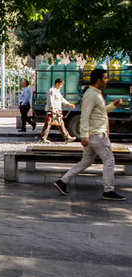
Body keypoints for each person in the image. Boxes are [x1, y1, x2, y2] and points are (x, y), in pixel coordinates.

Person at [54, 68, 126, 201]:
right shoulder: (91, 95)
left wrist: (113, 106)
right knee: (109, 160)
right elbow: (85, 115)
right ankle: (108, 191)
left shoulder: (96, 93)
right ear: (98, 80)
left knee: (86, 161)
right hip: (96, 134)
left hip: (94, 133)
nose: (107, 80)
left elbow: (99, 112)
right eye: (105, 78)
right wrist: (84, 135)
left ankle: (62, 181)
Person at [40, 78, 76, 144]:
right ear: (57, 84)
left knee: (59, 124)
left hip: (57, 111)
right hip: (52, 111)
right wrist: (52, 109)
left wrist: (69, 104)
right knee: (49, 124)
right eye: (60, 85)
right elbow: (50, 100)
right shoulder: (51, 90)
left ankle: (67, 137)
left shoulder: (57, 91)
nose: (61, 86)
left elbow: (62, 99)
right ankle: (43, 138)